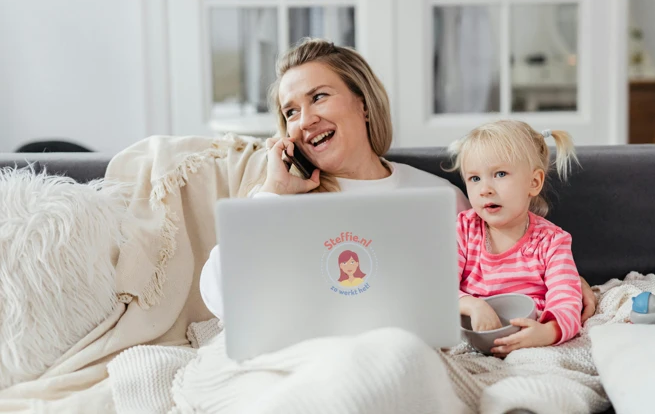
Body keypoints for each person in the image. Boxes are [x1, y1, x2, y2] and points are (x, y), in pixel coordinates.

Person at [199, 38, 597, 323]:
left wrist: (562, 280)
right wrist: (274, 195)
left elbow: (497, 266)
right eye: (290, 112)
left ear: (363, 103)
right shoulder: (278, 201)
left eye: (318, 97)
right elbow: (220, 297)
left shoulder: (439, 197)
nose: (304, 120)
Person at [450, 120, 584, 356]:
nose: (485, 189)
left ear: (534, 182)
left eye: (500, 174)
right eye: (474, 178)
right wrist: (472, 304)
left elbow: (568, 300)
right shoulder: (462, 230)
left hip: (530, 342)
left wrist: (547, 332)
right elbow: (438, 288)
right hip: (472, 341)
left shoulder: (552, 241)